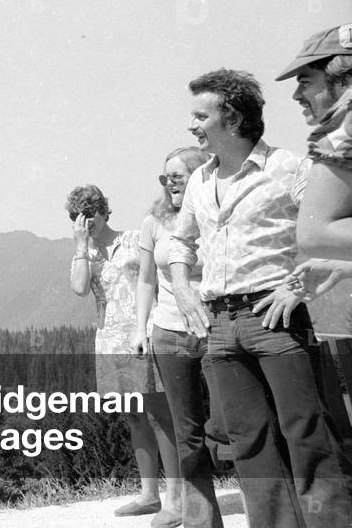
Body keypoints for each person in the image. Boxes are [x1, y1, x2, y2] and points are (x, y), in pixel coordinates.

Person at [168, 69, 352, 528]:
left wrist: (295, 284)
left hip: (276, 319)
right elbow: (180, 243)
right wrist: (185, 289)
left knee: (308, 436)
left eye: (200, 115)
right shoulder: (199, 181)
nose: (191, 125)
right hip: (220, 327)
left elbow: (327, 224)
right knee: (249, 444)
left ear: (231, 117)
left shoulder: (286, 166)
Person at [66, 184, 177, 520]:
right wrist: (81, 246)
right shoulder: (82, 252)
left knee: (160, 416)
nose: (86, 221)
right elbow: (80, 288)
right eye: (77, 216)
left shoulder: (132, 239)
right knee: (133, 416)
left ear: (104, 211)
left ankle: (176, 497)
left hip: (144, 332)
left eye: (90, 213)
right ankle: (148, 494)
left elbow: (152, 279)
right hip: (109, 341)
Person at [132, 149, 222, 528]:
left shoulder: (215, 211)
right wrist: (140, 328)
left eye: (177, 176)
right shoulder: (153, 222)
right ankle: (192, 510)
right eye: (164, 177)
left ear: (199, 175)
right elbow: (146, 279)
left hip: (218, 329)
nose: (168, 183)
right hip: (169, 332)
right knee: (186, 432)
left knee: (229, 427)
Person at [273, 25, 352, 298]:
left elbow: (315, 235)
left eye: (305, 82)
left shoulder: (345, 117)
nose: (296, 95)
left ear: (344, 80)